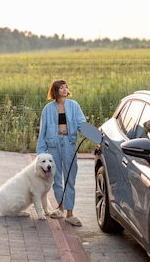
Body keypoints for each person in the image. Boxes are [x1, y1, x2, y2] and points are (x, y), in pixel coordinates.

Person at [36, 79, 87, 227]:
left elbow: (81, 124)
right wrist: (40, 153)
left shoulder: (74, 106)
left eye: (66, 87)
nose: (65, 90)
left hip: (69, 143)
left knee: (70, 177)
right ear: (55, 91)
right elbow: (43, 131)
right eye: (61, 88)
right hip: (53, 145)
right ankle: (60, 207)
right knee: (56, 179)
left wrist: (97, 136)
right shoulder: (47, 109)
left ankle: (70, 212)